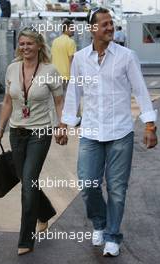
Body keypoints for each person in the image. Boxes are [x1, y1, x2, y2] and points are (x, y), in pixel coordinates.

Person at [59, 7, 158, 257]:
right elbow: (74, 93)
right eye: (104, 24)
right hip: (91, 132)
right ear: (92, 28)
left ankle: (113, 235)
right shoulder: (81, 59)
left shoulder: (127, 56)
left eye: (111, 23)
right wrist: (64, 124)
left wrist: (149, 124)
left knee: (116, 188)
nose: (110, 28)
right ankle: (100, 223)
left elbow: (140, 91)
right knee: (87, 183)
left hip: (120, 132)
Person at [0, 27, 64, 255]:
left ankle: (26, 238)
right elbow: (7, 102)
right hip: (17, 132)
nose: (25, 48)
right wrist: (0, 129)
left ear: (39, 45)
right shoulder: (12, 69)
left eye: (29, 44)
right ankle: (44, 213)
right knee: (27, 182)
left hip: (40, 133)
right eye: (22, 44)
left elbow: (59, 102)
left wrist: (61, 126)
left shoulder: (50, 71)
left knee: (29, 181)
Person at [51, 19, 76, 98]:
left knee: (56, 98)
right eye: (72, 28)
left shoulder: (55, 41)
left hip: (55, 74)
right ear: (66, 29)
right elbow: (71, 60)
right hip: (66, 75)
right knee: (66, 98)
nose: (73, 30)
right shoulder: (70, 42)